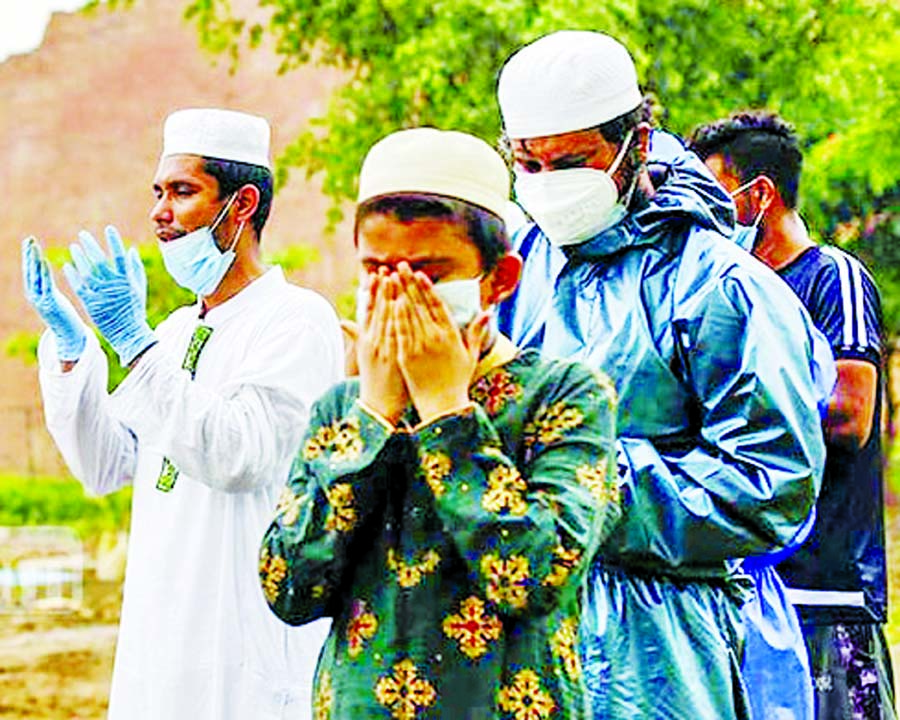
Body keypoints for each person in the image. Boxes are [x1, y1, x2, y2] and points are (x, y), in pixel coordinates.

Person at [495, 31, 829, 718]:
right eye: (529, 164)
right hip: (528, 633)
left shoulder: (720, 286)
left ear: (636, 143)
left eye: (573, 161)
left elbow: (773, 486)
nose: (550, 185)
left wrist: (588, 485)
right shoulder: (523, 267)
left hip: (663, 644)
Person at [257, 127, 621, 719]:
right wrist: (373, 418)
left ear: (499, 280)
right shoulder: (341, 409)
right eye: (379, 271)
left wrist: (448, 414)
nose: (402, 295)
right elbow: (290, 589)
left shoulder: (567, 395)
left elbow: (529, 579)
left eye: (428, 274)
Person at [21, 108, 344, 719]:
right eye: (157, 193)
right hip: (160, 640)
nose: (159, 213)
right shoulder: (172, 333)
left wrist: (134, 344)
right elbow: (107, 465)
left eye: (182, 191)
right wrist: (74, 351)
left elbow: (237, 455)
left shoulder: (296, 319)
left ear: (242, 203)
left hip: (241, 645)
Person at [690, 110, 894, 720]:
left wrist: (729, 410)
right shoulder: (725, 290)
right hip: (740, 588)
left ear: (757, 195)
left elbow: (851, 415)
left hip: (826, 589)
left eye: (711, 191)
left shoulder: (832, 277)